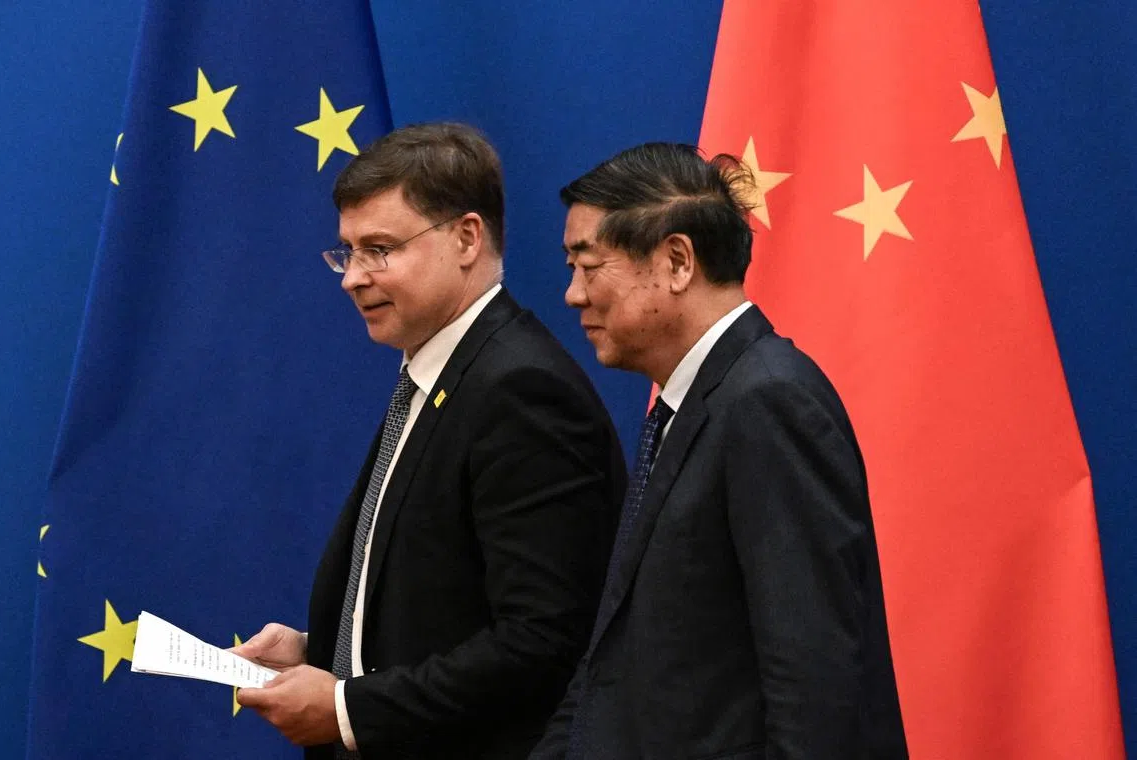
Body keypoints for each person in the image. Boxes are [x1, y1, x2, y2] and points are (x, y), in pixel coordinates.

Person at [234, 122, 626, 759]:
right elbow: (442, 602)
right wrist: (323, 651)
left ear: (467, 238)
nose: (352, 278)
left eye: (379, 249)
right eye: (347, 251)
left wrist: (345, 707)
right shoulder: (438, 373)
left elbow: (543, 641)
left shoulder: (521, 389)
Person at [531, 143, 908, 759]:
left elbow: (813, 687)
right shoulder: (698, 402)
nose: (573, 294)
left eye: (588, 265)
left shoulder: (768, 402)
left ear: (677, 261)